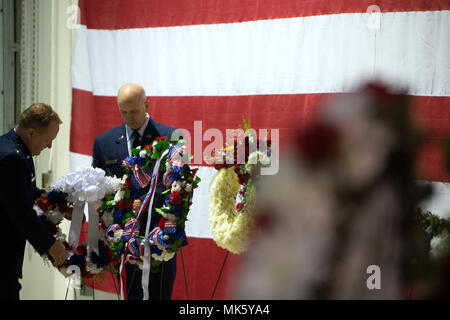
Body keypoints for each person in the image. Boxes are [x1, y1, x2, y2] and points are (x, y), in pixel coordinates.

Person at [92, 83, 179, 300]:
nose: (129, 117)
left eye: (134, 111)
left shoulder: (172, 137)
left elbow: (178, 184)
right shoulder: (104, 143)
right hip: (122, 238)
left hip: (159, 236)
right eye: (124, 112)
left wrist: (145, 202)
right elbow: (98, 187)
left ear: (146, 105)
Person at [0, 103, 68, 300]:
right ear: (31, 133)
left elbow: (28, 192)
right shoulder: (10, 158)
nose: (49, 145)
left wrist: (61, 207)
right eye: (48, 139)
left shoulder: (19, 150)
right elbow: (21, 213)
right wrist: (50, 245)